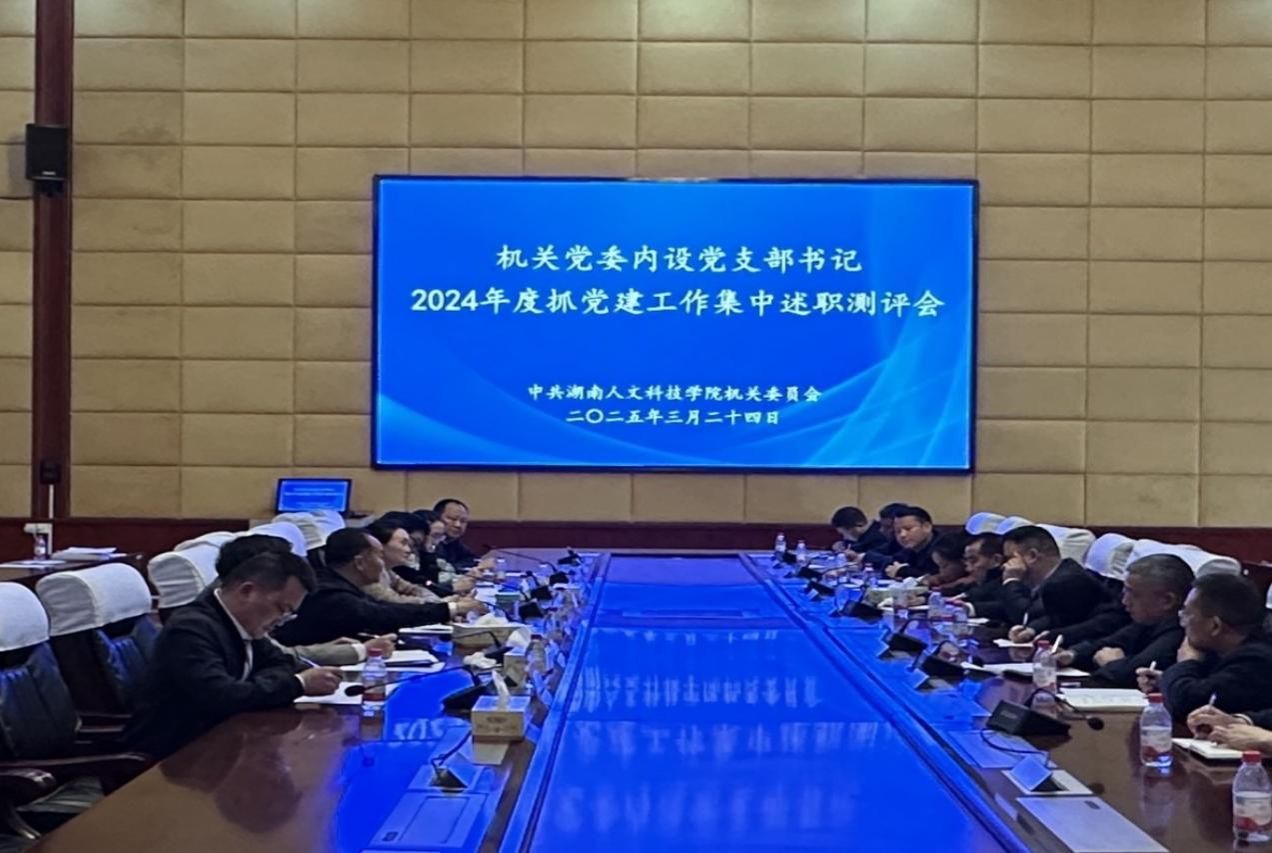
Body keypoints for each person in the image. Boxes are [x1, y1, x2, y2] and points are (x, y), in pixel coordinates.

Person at [124, 552, 343, 759]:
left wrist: (258, 686)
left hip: (221, 743)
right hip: (173, 756)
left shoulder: (243, 624)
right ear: (247, 591)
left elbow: (282, 663)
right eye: (281, 608)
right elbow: (223, 697)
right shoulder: (191, 629)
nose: (281, 620)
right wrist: (298, 684)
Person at [273, 528, 487, 647]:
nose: (382, 563)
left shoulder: (344, 586)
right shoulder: (330, 595)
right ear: (359, 563)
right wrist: (451, 609)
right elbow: (382, 615)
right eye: (379, 556)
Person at [216, 534, 396, 667]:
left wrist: (325, 649)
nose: (281, 619)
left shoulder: (242, 611)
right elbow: (283, 657)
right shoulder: (210, 623)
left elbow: (279, 656)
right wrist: (362, 651)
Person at [1141, 573, 1272, 722]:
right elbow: (1200, 687)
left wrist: (1187, 663)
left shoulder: (1256, 661)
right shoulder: (1220, 651)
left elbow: (1188, 705)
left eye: (1187, 613)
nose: (1182, 622)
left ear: (1214, 626)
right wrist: (1165, 680)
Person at [1052, 554, 1192, 687]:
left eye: (1134, 595)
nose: (1125, 601)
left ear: (1167, 601)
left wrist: (1112, 663)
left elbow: (1132, 673)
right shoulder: (1147, 622)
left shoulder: (1179, 632)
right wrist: (1072, 655)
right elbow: (1106, 643)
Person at [1001, 525, 1118, 645]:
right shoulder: (1058, 576)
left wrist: (1011, 580)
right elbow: (1049, 617)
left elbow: (1024, 616)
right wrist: (1031, 629)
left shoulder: (1067, 582)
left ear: (1032, 556)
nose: (1005, 565)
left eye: (1010, 558)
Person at [364, 522, 444, 604]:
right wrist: (439, 604)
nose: (409, 550)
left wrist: (436, 602)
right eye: (403, 543)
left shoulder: (388, 571)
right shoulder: (367, 575)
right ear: (380, 545)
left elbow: (414, 589)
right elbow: (397, 601)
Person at [951, 532, 1009, 622]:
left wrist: (970, 608)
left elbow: (1008, 606)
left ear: (996, 560)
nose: (968, 569)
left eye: (973, 560)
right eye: (966, 561)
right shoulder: (976, 585)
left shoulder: (1009, 582)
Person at [873, 505, 939, 579]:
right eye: (898, 531)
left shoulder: (943, 547)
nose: (902, 535)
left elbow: (938, 577)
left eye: (908, 529)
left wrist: (903, 571)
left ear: (927, 527)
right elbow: (889, 565)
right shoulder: (909, 550)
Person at [432, 498, 487, 570]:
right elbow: (441, 568)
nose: (458, 525)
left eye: (463, 521)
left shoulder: (453, 541)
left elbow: (472, 559)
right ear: (436, 518)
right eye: (452, 519)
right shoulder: (429, 541)